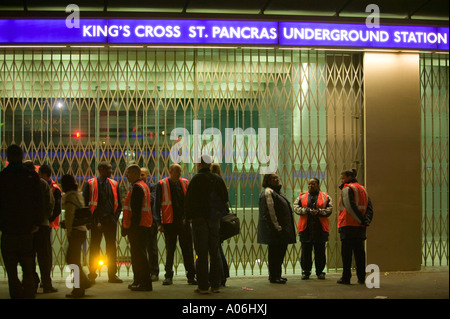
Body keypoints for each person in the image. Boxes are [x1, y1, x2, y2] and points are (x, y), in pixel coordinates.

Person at [0, 144, 44, 299]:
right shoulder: (31, 176)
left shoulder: (2, 176)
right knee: (28, 267)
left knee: (11, 271)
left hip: (8, 231)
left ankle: (15, 294)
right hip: (26, 230)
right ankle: (29, 294)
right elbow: (38, 202)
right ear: (22, 156)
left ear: (7, 157)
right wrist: (36, 223)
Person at [185, 155, 229, 294]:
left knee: (201, 253)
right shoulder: (217, 179)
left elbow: (189, 200)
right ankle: (215, 284)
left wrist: (189, 217)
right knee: (214, 252)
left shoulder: (196, 179)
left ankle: (203, 285)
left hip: (199, 220)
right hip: (214, 219)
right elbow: (224, 199)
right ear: (209, 165)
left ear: (199, 164)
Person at [155, 163, 196, 286]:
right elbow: (157, 205)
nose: (179, 174)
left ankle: (191, 276)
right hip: (169, 222)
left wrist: (188, 218)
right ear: (170, 171)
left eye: (180, 171)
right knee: (170, 250)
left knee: (187, 250)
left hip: (183, 222)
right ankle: (168, 276)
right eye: (177, 171)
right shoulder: (162, 184)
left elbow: (189, 202)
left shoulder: (184, 183)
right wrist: (159, 223)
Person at [83, 161, 123, 284]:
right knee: (95, 247)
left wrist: (114, 218)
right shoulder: (90, 184)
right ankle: (92, 274)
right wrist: (91, 221)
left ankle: (112, 275)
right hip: (96, 220)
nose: (111, 172)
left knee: (111, 248)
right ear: (101, 169)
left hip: (110, 220)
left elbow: (119, 204)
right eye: (108, 170)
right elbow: (85, 204)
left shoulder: (114, 184)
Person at [23, 161, 57, 293]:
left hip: (27, 228)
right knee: (44, 256)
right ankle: (46, 284)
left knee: (28, 257)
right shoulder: (42, 183)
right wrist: (44, 218)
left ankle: (31, 283)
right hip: (42, 225)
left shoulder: (22, 185)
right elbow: (50, 203)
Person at [257, 173, 296, 284]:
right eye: (274, 178)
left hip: (280, 229)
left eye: (277, 177)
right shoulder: (268, 192)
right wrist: (278, 227)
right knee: (275, 254)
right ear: (268, 181)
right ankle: (274, 276)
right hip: (276, 231)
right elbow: (270, 212)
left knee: (279, 253)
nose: (277, 179)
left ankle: (276, 275)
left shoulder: (276, 192)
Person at [337, 169, 374, 285]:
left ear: (349, 177)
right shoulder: (363, 189)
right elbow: (369, 207)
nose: (341, 180)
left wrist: (361, 220)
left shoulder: (348, 188)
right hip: (360, 227)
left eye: (343, 178)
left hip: (348, 224)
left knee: (347, 254)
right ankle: (361, 277)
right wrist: (366, 220)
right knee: (360, 253)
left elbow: (349, 206)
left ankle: (346, 277)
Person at [293, 178, 332, 280]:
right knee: (306, 251)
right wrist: (306, 210)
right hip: (306, 229)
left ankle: (320, 272)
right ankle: (306, 272)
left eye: (313, 184)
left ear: (318, 185)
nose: (310, 186)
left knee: (320, 251)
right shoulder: (302, 197)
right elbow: (295, 207)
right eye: (309, 184)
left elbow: (329, 209)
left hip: (320, 229)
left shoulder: (325, 196)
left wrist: (319, 212)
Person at [122, 164, 153, 291]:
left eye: (128, 173)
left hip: (138, 227)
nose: (126, 176)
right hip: (144, 225)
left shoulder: (137, 188)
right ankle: (139, 281)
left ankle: (144, 283)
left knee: (138, 255)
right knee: (139, 254)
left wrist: (129, 227)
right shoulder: (142, 186)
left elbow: (135, 211)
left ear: (135, 174)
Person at [61, 174, 92, 298]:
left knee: (72, 260)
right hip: (82, 230)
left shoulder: (70, 196)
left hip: (75, 231)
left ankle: (81, 286)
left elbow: (70, 215)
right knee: (74, 260)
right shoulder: (78, 194)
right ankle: (80, 286)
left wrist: (68, 231)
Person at [38, 163, 62, 292]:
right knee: (43, 254)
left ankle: (44, 280)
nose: (38, 176)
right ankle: (42, 281)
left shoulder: (55, 189)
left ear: (45, 175)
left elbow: (57, 208)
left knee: (45, 254)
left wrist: (48, 219)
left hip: (47, 225)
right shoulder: (39, 185)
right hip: (43, 224)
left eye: (40, 174)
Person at [210, 163, 230, 287]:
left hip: (215, 219)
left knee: (216, 249)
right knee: (218, 248)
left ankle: (220, 276)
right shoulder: (220, 182)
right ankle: (223, 275)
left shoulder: (213, 183)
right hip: (220, 218)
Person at [141, 167, 160, 282]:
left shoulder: (153, 187)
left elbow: (151, 200)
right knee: (142, 248)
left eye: (143, 175)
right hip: (140, 222)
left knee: (152, 248)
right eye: (139, 174)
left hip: (150, 221)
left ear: (148, 176)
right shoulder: (135, 186)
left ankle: (154, 272)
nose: (141, 177)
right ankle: (145, 271)